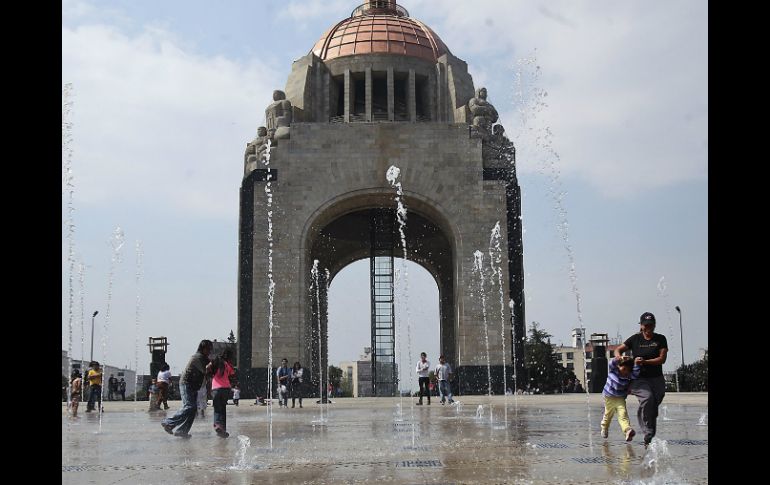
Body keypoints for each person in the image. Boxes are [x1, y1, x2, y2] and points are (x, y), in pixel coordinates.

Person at [614, 312, 669, 446]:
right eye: (645, 325)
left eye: (651, 325)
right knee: (647, 398)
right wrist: (620, 359)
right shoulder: (635, 339)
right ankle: (647, 433)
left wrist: (645, 361)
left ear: (654, 325)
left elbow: (662, 359)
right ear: (641, 326)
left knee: (653, 407)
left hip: (656, 378)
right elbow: (618, 350)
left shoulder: (660, 339)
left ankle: (649, 434)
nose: (648, 328)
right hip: (639, 379)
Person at [161, 339, 213, 438]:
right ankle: (168, 422)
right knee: (189, 406)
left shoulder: (205, 359)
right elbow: (205, 371)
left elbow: (211, 371)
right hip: (186, 384)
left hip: (194, 386)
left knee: (193, 410)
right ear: (202, 348)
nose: (210, 351)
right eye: (208, 349)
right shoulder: (197, 357)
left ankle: (182, 430)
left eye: (211, 349)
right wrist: (211, 365)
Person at [600, 355, 641, 441]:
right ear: (619, 366)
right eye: (624, 369)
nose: (625, 372)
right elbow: (611, 364)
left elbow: (636, 374)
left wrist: (637, 364)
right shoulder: (613, 370)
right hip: (609, 397)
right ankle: (604, 428)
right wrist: (618, 359)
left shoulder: (628, 375)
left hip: (620, 398)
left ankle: (627, 430)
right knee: (608, 414)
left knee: (623, 414)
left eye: (628, 370)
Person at [210, 349, 235, 438]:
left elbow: (207, 368)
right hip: (226, 389)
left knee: (217, 409)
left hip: (216, 389)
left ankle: (217, 425)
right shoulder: (228, 365)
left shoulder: (215, 362)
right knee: (223, 409)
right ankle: (223, 430)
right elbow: (232, 373)